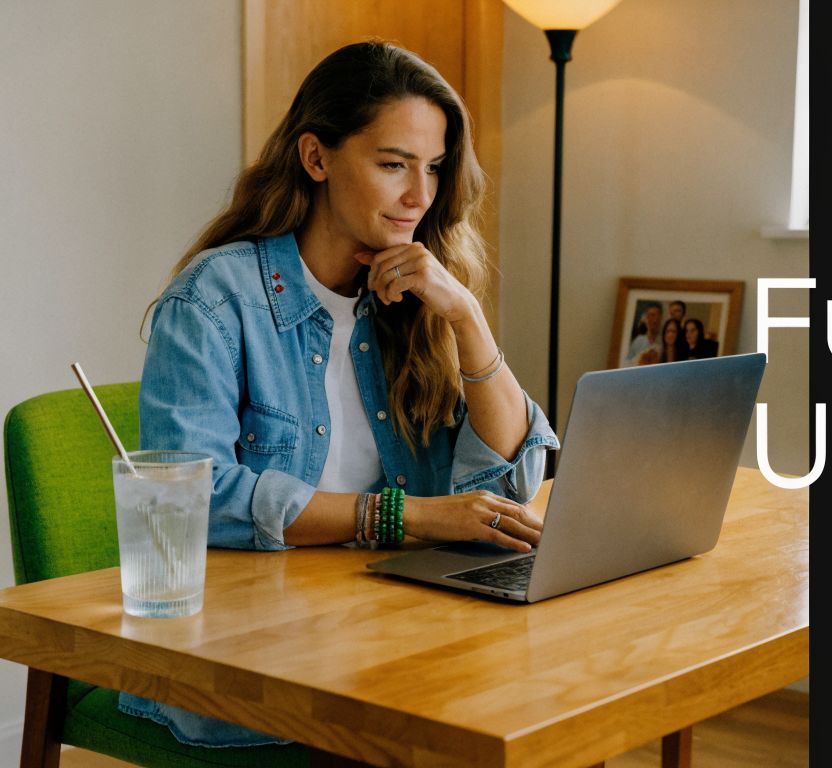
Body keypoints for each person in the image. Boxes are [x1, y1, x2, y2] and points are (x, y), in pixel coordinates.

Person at [126, 41, 558, 748]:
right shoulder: (214, 299)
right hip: (251, 660)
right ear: (316, 158)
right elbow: (189, 500)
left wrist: (467, 320)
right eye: (393, 165)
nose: (420, 195)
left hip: (391, 630)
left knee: (557, 703)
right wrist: (405, 517)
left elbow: (506, 486)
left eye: (435, 167)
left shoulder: (418, 298)